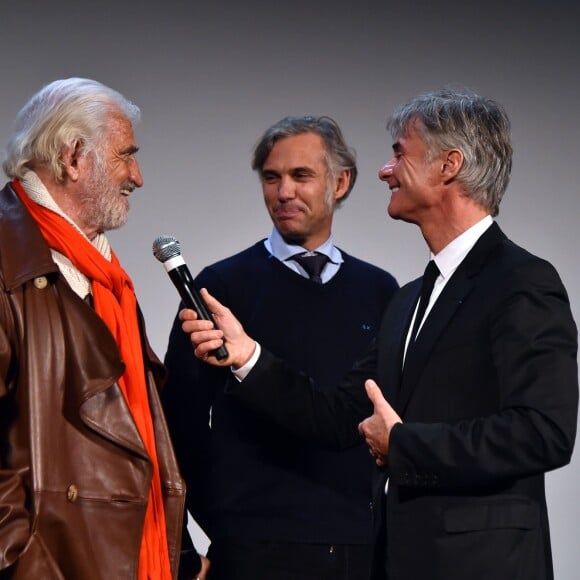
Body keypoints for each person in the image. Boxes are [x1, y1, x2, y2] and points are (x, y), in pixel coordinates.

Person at [179, 89, 578, 580]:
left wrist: (406, 444)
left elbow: (545, 433)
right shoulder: (408, 299)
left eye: (399, 154)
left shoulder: (520, 281)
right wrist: (248, 357)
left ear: (448, 166)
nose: (385, 171)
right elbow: (335, 415)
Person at [162, 115, 399, 580]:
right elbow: (175, 426)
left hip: (358, 547)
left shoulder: (381, 291)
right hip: (252, 548)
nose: (283, 192)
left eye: (301, 176)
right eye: (272, 178)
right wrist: (221, 527)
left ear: (341, 182)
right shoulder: (219, 287)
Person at [0, 78, 208, 579]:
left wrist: (176, 553)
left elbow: (137, 437)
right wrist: (26, 568)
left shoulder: (107, 279)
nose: (137, 176)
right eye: (125, 155)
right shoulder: (11, 265)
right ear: (74, 157)